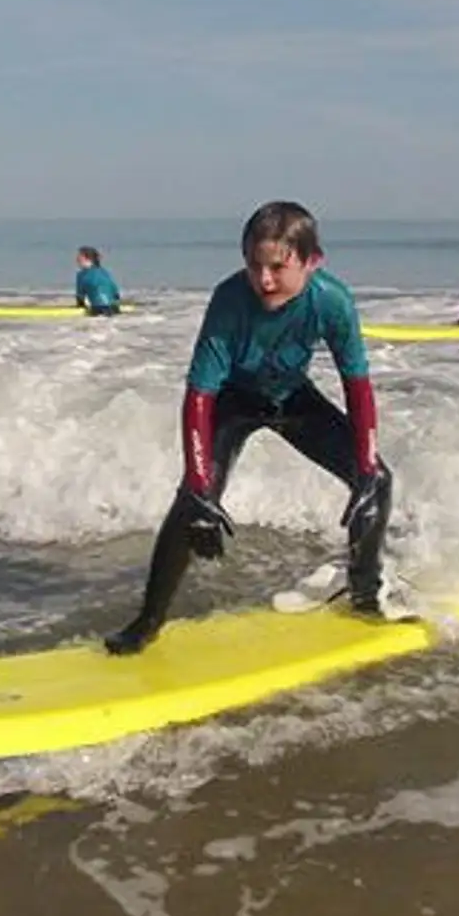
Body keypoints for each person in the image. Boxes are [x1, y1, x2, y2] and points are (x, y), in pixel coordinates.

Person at [106, 201, 392, 655]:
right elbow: (199, 396)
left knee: (377, 481)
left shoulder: (331, 301)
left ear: (312, 261)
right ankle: (148, 620)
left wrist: (366, 470)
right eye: (254, 266)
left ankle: (365, 597)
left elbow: (356, 386)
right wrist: (198, 487)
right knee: (192, 501)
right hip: (234, 400)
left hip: (293, 398)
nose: (264, 280)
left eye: (278, 267)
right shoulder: (230, 300)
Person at [74, 246, 122, 316]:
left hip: (98, 309)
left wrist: (80, 308)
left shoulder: (81, 274)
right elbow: (116, 293)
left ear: (86, 258)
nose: (76, 259)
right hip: (114, 308)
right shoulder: (105, 272)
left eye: (79, 257)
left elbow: (80, 296)